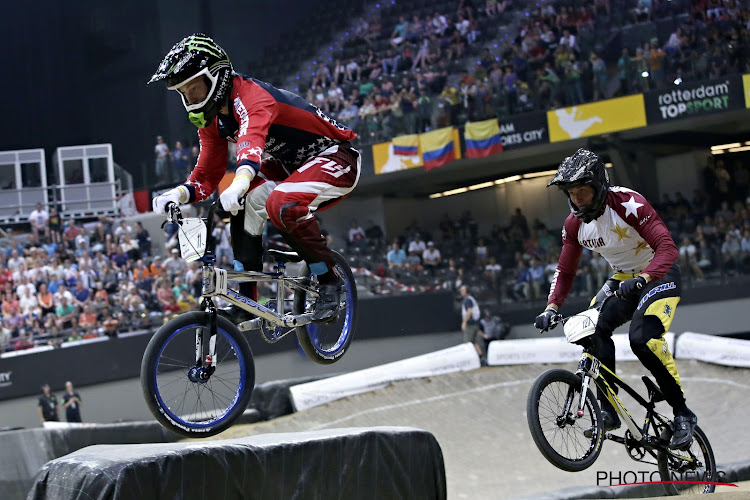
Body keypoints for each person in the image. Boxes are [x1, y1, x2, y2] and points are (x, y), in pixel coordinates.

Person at [150, 34, 359, 323]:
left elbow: (251, 144)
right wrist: (180, 193)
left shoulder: (252, 97)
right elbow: (207, 174)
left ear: (216, 78)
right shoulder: (213, 118)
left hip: (335, 156)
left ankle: (329, 282)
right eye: (184, 93)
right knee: (241, 203)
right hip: (289, 166)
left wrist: (239, 181)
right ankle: (245, 301)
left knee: (279, 204)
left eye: (195, 88)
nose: (191, 99)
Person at [533, 148, 696, 450]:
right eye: (572, 193)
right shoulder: (574, 225)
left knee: (642, 339)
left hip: (659, 274)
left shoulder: (628, 204)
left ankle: (683, 413)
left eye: (583, 191)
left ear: (600, 186)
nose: (578, 199)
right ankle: (607, 410)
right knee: (592, 330)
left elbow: (668, 248)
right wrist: (551, 307)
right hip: (623, 278)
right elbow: (565, 270)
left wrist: (643, 278)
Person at [459, 285, 484, 361]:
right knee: (473, 342)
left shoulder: (468, 300)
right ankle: (481, 357)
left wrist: (464, 322)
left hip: (470, 324)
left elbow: (469, 312)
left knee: (467, 343)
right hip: (475, 323)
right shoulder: (471, 299)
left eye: (463, 290)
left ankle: (470, 360)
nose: (461, 292)